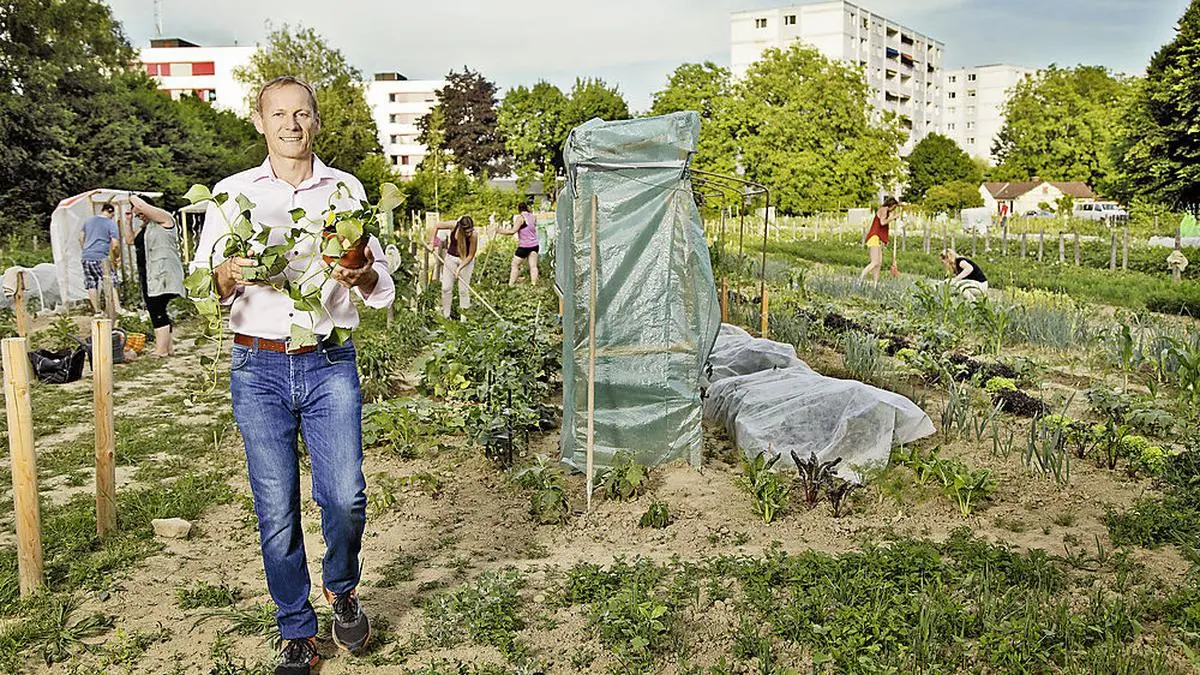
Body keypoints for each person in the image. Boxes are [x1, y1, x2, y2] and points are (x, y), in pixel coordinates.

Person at [191, 76, 394, 675]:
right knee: (275, 506)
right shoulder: (230, 197)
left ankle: (342, 587)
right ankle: (297, 630)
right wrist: (228, 273)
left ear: (316, 123)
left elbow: (378, 277)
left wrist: (362, 277)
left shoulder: (347, 190)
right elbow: (207, 289)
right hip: (257, 366)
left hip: (329, 359)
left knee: (345, 496)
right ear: (260, 122)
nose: (291, 124)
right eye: (278, 114)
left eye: (302, 114)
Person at [128, 195, 185, 357]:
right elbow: (130, 240)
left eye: (140, 213)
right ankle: (168, 347)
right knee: (157, 307)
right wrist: (127, 221)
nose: (140, 217)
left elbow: (141, 205)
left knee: (156, 307)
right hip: (150, 272)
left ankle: (160, 351)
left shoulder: (165, 217)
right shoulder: (146, 226)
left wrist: (131, 196)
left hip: (163, 271)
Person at [431, 216, 478, 320]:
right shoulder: (453, 225)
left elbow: (470, 255)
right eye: (467, 232)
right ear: (461, 228)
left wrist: (459, 268)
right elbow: (437, 226)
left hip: (465, 260)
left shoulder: (474, 235)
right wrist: (432, 243)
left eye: (470, 231)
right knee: (446, 288)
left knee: (463, 290)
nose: (469, 234)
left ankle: (464, 320)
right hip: (451, 258)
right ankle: (446, 316)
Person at [79, 203, 121, 316]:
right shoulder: (110, 224)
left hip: (86, 256)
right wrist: (117, 257)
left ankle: (97, 311)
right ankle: (117, 309)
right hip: (101, 257)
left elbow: (81, 237)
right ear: (111, 212)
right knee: (111, 281)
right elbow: (115, 245)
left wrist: (86, 249)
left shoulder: (88, 221)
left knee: (91, 283)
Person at [859, 196, 901, 282]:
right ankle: (859, 279)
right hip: (874, 237)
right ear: (891, 205)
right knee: (874, 262)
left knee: (878, 263)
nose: (894, 209)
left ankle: (875, 285)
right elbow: (882, 222)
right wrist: (892, 218)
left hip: (877, 238)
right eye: (894, 207)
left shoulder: (885, 211)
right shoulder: (884, 209)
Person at [497, 202, 539, 285]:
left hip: (524, 246)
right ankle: (533, 284)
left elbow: (513, 231)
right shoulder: (533, 217)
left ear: (519, 209)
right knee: (533, 266)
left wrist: (500, 231)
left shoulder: (520, 218)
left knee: (515, 264)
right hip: (534, 245)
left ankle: (510, 284)